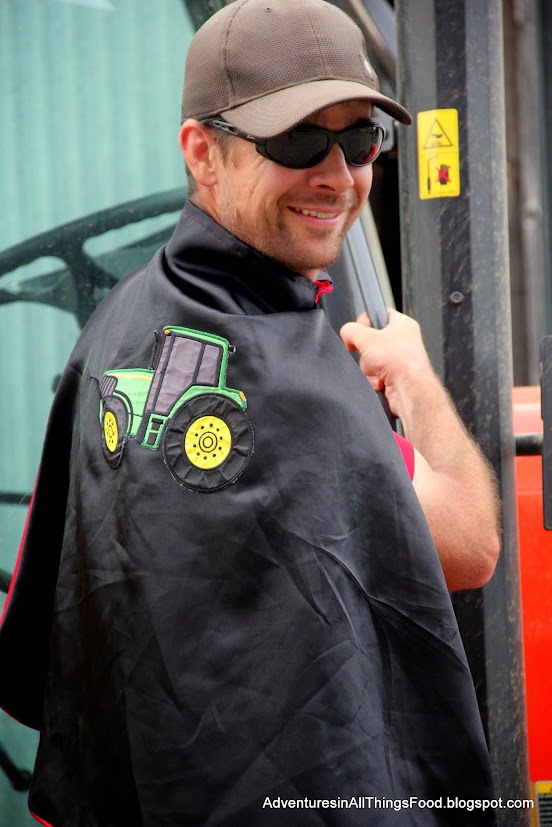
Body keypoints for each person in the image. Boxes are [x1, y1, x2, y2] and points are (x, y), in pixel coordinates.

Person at [0, 1, 499, 825]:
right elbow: (472, 542)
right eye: (297, 141)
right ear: (202, 152)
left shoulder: (110, 335)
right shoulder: (301, 392)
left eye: (361, 140)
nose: (337, 175)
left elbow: (44, 627)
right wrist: (416, 379)